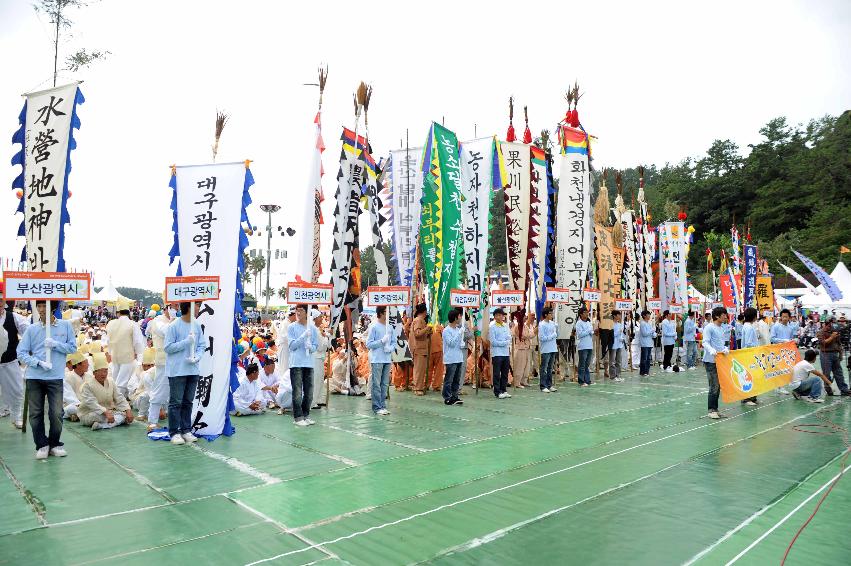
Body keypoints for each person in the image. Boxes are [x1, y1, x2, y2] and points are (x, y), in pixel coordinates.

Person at [17, 300, 76, 459]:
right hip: (34, 376)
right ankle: (42, 444)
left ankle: (55, 443)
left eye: (45, 306)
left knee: (56, 413)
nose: (41, 310)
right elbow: (21, 352)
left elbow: (72, 347)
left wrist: (56, 344)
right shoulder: (32, 329)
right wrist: (37, 362)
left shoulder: (65, 326)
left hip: (55, 376)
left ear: (53, 308)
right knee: (35, 413)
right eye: (39, 306)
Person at [162, 302, 205, 445]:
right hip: (177, 370)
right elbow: (167, 347)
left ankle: (186, 430)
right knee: (176, 402)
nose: (199, 308)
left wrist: (197, 357)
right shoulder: (174, 325)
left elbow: (202, 345)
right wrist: (186, 342)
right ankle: (174, 432)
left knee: (188, 401)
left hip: (193, 369)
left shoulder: (197, 325)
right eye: (197, 306)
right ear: (189, 307)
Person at [77, 352, 135, 430]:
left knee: (125, 415)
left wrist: (128, 410)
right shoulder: (87, 385)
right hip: (90, 413)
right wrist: (105, 412)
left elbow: (119, 397)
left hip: (109, 413)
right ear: (94, 373)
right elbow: (91, 403)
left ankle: (102, 426)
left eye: (105, 371)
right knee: (99, 416)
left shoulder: (111, 381)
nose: (103, 374)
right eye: (100, 371)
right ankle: (108, 423)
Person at [104, 303, 146, 399]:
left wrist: (110, 352)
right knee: (122, 380)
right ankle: (118, 402)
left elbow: (108, 340)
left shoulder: (111, 323)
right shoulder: (132, 324)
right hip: (127, 355)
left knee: (115, 377)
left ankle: (114, 399)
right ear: (128, 313)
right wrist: (138, 353)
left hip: (114, 354)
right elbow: (138, 342)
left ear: (118, 313)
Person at [287, 304, 319, 426]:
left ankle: (306, 415)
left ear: (307, 312)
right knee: (297, 392)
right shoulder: (292, 327)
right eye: (297, 310)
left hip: (309, 363)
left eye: (301, 310)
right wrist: (303, 336)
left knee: (309, 392)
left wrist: (311, 347)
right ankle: (298, 418)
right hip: (296, 363)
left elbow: (316, 346)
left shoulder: (313, 329)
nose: (298, 313)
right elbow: (292, 346)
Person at [0, 297, 29, 429]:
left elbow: (28, 332)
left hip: (9, 361)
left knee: (17, 390)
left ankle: (16, 417)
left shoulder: (14, 318)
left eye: (0, 300)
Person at [702, 306, 729, 419]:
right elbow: (705, 342)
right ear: (717, 316)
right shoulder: (709, 327)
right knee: (713, 385)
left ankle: (715, 409)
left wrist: (725, 349)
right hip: (710, 360)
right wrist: (711, 350)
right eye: (723, 315)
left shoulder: (722, 328)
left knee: (718, 386)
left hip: (720, 360)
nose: (725, 317)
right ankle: (711, 410)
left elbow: (721, 343)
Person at [366, 306, 394, 415]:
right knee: (376, 384)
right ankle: (377, 407)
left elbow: (394, 342)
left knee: (384, 384)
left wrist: (390, 348)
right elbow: (369, 344)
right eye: (387, 312)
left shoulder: (390, 327)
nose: (388, 314)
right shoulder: (374, 327)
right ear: (381, 313)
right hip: (377, 359)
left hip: (387, 358)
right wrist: (381, 342)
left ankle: (383, 405)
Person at [819, 316, 850, 396]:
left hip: (835, 354)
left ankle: (844, 390)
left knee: (839, 373)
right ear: (828, 323)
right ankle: (829, 390)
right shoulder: (821, 332)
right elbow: (823, 343)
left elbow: (838, 343)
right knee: (827, 374)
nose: (834, 324)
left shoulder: (836, 331)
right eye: (832, 323)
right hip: (825, 354)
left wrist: (840, 353)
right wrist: (832, 337)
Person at [441, 309, 465, 406]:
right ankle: (447, 397)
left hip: (459, 357)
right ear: (455, 318)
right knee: (449, 379)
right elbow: (450, 343)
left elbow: (457, 344)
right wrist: (459, 334)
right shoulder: (446, 330)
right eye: (459, 316)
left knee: (456, 379)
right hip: (450, 358)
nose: (460, 318)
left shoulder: (458, 329)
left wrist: (462, 343)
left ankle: (455, 396)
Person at [489, 308, 512, 399]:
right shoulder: (492, 327)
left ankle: (504, 390)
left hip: (505, 353)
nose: (500, 317)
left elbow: (509, 337)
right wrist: (504, 342)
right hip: (497, 353)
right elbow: (493, 342)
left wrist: (505, 342)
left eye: (501, 315)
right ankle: (497, 391)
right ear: (494, 316)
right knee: (497, 373)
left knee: (505, 372)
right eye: (497, 315)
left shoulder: (506, 325)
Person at [410, 303, 431, 396]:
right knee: (419, 369)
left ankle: (418, 386)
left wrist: (428, 331)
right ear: (425, 311)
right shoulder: (418, 320)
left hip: (421, 348)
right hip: (419, 348)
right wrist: (427, 328)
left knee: (420, 369)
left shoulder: (420, 320)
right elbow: (417, 334)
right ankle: (418, 388)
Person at [740, 307, 760, 406]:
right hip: (749, 355)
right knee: (749, 376)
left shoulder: (747, 326)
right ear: (754, 317)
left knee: (751, 376)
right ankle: (747, 398)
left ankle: (752, 397)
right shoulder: (749, 327)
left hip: (749, 354)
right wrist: (757, 347)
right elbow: (748, 343)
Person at [311, 309, 331, 408]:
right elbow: (321, 346)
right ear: (314, 319)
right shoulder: (314, 330)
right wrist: (327, 337)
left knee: (319, 379)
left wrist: (326, 336)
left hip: (319, 358)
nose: (321, 319)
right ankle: (312, 401)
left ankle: (317, 399)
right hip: (316, 358)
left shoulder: (317, 330)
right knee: (316, 380)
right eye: (320, 317)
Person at [511, 311, 535, 388]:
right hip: (520, 348)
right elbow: (523, 336)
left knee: (527, 365)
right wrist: (532, 333)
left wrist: (532, 334)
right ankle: (517, 382)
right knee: (519, 366)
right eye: (524, 316)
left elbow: (531, 334)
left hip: (527, 348)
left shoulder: (525, 326)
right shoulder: (517, 326)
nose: (525, 318)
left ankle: (524, 381)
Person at [62, 351, 87, 422]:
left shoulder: (89, 376)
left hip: (87, 404)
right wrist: (78, 404)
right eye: (86, 363)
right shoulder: (67, 377)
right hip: (74, 404)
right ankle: (80, 414)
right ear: (78, 365)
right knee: (72, 408)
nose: (88, 365)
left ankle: (78, 415)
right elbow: (68, 395)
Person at [538, 307, 558, 392]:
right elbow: (542, 338)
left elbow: (557, 334)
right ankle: (543, 386)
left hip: (553, 348)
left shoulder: (553, 323)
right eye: (550, 313)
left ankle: (549, 385)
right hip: (546, 349)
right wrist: (552, 336)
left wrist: (557, 329)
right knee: (544, 368)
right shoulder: (542, 325)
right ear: (546, 315)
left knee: (550, 368)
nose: (552, 315)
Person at [575, 307, 593, 387]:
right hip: (582, 346)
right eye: (585, 312)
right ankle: (581, 381)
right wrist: (589, 331)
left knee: (587, 364)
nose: (587, 313)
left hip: (589, 345)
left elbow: (591, 332)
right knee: (582, 364)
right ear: (581, 314)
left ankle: (587, 380)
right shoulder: (579, 323)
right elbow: (580, 334)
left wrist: (591, 331)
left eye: (587, 312)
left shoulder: (589, 322)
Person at [639, 310, 655, 376]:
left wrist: (654, 334)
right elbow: (644, 333)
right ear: (644, 316)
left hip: (649, 343)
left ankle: (647, 371)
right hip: (644, 343)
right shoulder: (642, 323)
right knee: (644, 358)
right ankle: (643, 372)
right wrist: (652, 331)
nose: (649, 316)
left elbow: (651, 333)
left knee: (648, 358)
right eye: (648, 314)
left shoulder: (649, 323)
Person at [610, 311, 625, 382]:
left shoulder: (620, 324)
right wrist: (618, 332)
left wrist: (622, 338)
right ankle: (613, 376)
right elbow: (612, 335)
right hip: (613, 345)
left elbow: (621, 334)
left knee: (618, 361)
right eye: (618, 315)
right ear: (614, 316)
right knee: (612, 361)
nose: (620, 316)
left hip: (619, 344)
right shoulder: (611, 324)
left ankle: (618, 375)